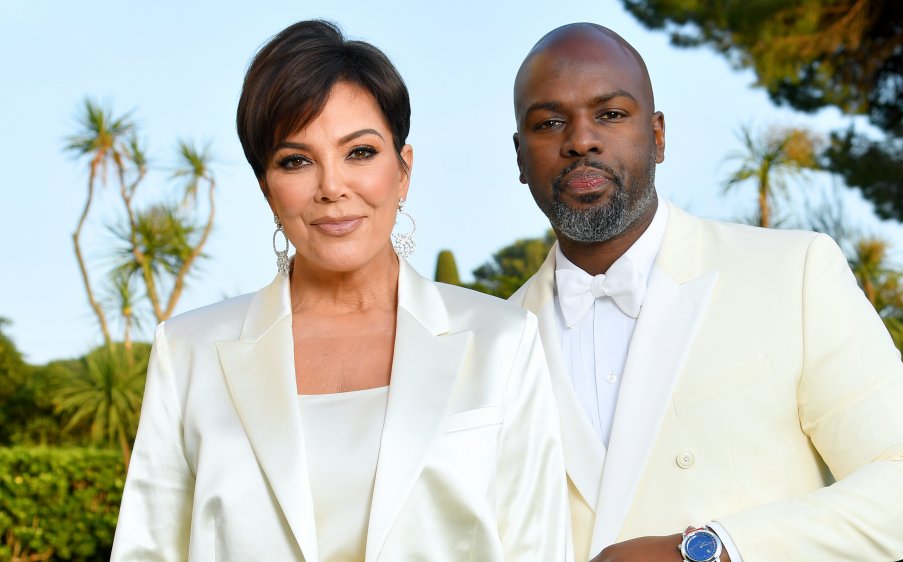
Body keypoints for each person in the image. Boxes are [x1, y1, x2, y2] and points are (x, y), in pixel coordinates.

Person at [111, 20, 567, 562]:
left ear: (403, 171)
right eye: (296, 161)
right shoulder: (186, 352)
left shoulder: (502, 341)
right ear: (267, 190)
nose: (332, 187)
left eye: (360, 153)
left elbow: (538, 547)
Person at [509, 22, 903, 562]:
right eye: (549, 122)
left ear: (657, 136)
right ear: (519, 156)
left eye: (610, 113)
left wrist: (711, 551)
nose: (580, 139)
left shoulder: (791, 273)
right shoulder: (488, 341)